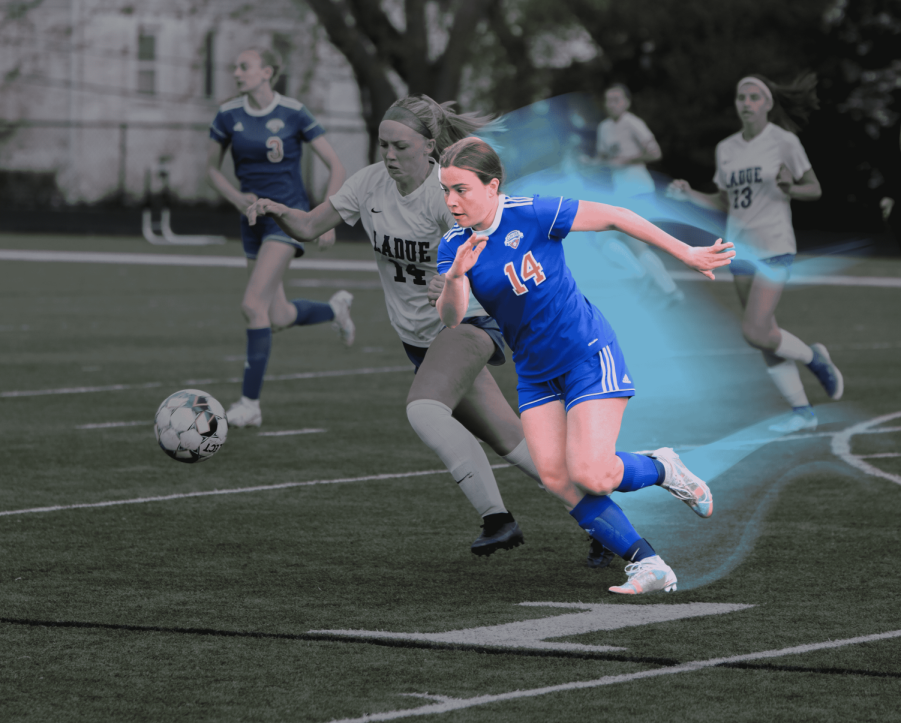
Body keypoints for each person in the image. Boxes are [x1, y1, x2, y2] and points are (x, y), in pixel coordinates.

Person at [246, 95, 546, 557]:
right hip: (419, 340)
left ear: (429, 147)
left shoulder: (449, 194)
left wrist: (452, 282)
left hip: (468, 324)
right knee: (510, 438)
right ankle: (603, 514)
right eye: (383, 144)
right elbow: (308, 226)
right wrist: (275, 209)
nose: (388, 154)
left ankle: (498, 519)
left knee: (424, 409)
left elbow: (492, 256)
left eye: (399, 146)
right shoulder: (369, 185)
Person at [436, 136, 735, 596]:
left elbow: (617, 216)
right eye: (445, 190)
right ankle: (648, 564)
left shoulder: (532, 213)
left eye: (461, 189)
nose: (451, 201)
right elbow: (452, 318)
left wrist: (685, 252)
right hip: (536, 372)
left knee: (593, 473)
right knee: (556, 476)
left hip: (587, 354)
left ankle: (662, 467)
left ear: (492, 186)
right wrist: (456, 275)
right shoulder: (454, 244)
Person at [667, 74, 843, 433]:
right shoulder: (726, 148)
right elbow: (723, 201)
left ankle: (815, 360)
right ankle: (802, 412)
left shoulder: (784, 141)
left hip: (776, 246)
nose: (745, 103)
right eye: (740, 97)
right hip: (740, 250)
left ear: (767, 104)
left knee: (753, 330)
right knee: (765, 334)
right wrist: (689, 195)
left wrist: (791, 187)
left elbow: (815, 189)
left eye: (753, 97)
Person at [207, 47, 355, 428]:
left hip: (286, 220)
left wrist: (327, 217)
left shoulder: (293, 112)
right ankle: (333, 311)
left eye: (244, 66)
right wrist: (236, 198)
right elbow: (211, 170)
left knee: (252, 304)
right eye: (235, 66)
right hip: (251, 222)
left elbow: (336, 164)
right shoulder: (228, 115)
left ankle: (250, 405)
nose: (236, 72)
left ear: (267, 72)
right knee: (277, 315)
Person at [588, 84, 683, 306]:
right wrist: (588, 163)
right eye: (608, 100)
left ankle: (644, 278)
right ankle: (669, 290)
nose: (611, 104)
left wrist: (628, 159)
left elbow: (655, 152)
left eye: (616, 99)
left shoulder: (633, 123)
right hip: (621, 194)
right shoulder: (604, 127)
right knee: (621, 243)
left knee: (608, 239)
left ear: (627, 102)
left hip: (639, 190)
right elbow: (603, 159)